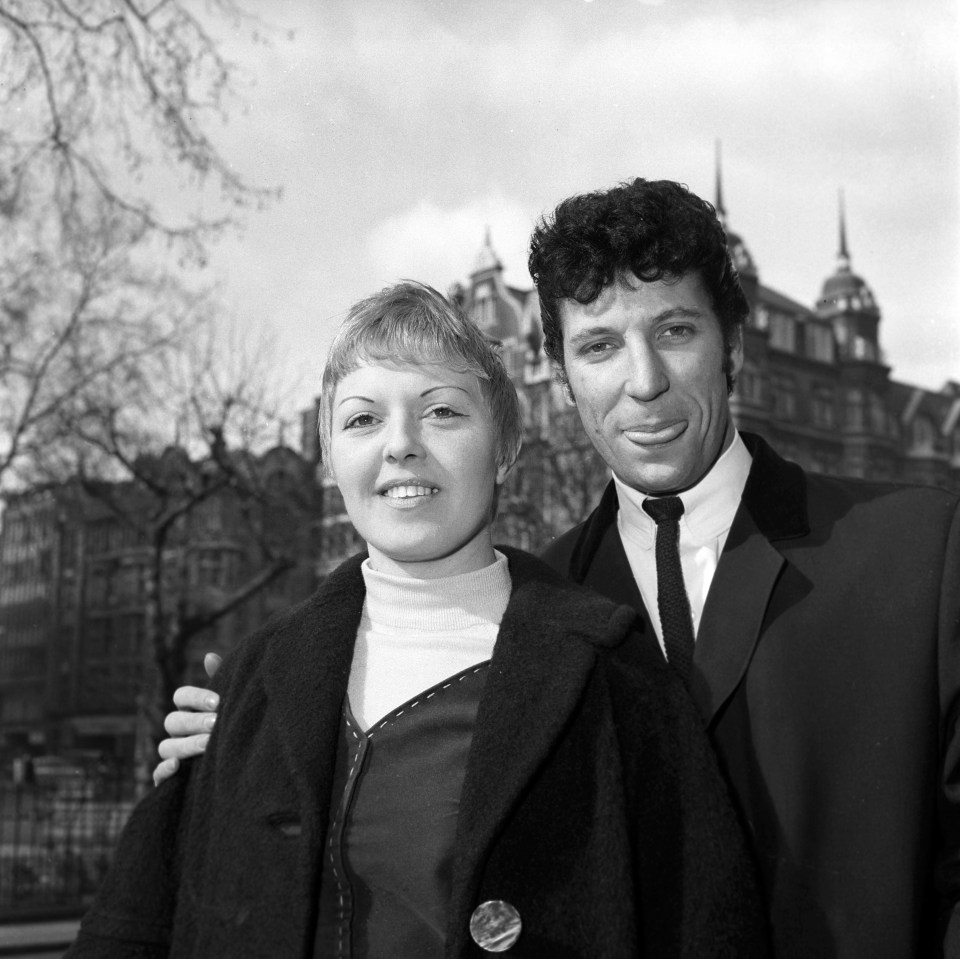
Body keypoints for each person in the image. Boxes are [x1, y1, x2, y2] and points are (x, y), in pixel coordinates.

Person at [159, 179, 960, 958]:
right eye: (601, 345)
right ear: (564, 373)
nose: (643, 381)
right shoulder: (527, 612)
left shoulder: (921, 551)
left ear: (734, 346)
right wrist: (251, 735)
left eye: (676, 331)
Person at [67, 281, 767, 958]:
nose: (400, 444)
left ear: (505, 449)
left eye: (442, 412)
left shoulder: (618, 677)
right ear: (330, 455)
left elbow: (709, 925)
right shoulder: (249, 692)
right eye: (363, 418)